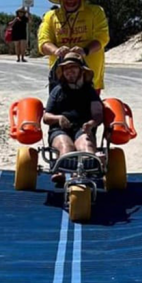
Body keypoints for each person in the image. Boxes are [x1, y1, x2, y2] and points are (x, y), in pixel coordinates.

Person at [38, 0, 110, 94]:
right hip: (60, 75)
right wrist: (56, 51)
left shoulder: (96, 12)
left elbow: (102, 38)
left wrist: (85, 51)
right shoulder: (50, 16)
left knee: (91, 108)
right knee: (58, 107)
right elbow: (43, 42)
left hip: (89, 73)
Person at [42, 51, 104, 186]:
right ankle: (62, 173)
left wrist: (91, 124)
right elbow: (46, 117)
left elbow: (98, 114)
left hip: (82, 129)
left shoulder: (89, 91)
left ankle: (85, 172)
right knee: (66, 147)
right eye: (66, 69)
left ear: (81, 71)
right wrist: (59, 118)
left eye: (73, 68)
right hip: (60, 130)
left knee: (86, 147)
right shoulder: (57, 90)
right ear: (63, 72)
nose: (69, 71)